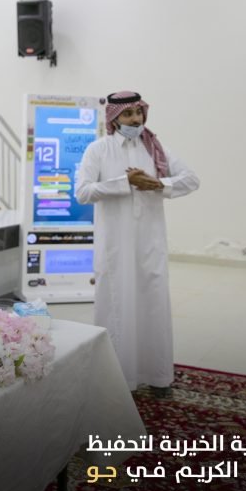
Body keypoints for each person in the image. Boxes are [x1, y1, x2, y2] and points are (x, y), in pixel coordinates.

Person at [76, 91, 200, 397]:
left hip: (150, 243)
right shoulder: (98, 150)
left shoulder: (155, 148)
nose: (135, 119)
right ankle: (118, 376)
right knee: (117, 304)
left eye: (138, 113)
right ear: (114, 117)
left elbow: (191, 179)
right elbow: (83, 192)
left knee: (153, 304)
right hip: (115, 246)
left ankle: (158, 376)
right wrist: (125, 183)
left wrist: (158, 183)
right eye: (128, 114)